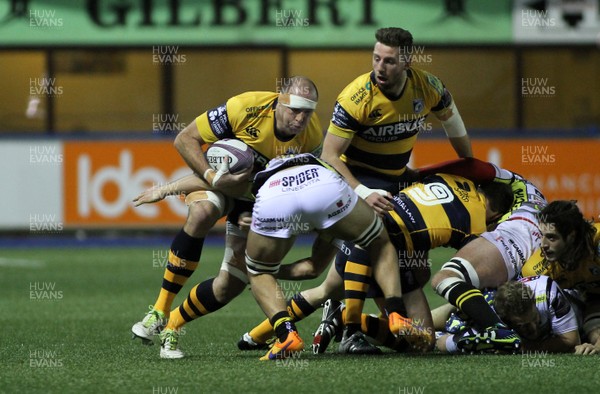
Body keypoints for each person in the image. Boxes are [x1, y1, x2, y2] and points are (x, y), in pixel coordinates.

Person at [130, 76, 325, 359]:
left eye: (307, 111)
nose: (300, 118)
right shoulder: (245, 107)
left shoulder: (312, 139)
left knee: (229, 286)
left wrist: (263, 218)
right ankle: (159, 310)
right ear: (278, 101)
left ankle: (172, 323)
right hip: (219, 184)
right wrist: (183, 184)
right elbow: (184, 139)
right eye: (294, 109)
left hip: (257, 204)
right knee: (202, 212)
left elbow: (301, 193)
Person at [238, 166, 514, 354]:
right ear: (496, 214)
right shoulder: (478, 223)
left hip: (363, 222)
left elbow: (424, 207)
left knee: (324, 288)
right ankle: (351, 322)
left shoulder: (449, 179)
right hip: (387, 248)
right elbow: (468, 266)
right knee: (423, 340)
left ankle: (255, 336)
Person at [244, 153, 408, 360]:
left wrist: (264, 274)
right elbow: (313, 268)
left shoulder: (262, 175)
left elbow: (311, 269)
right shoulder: (312, 158)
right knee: (379, 244)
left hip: (275, 194)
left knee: (258, 271)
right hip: (323, 187)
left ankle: (286, 336)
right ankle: (396, 313)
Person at [321, 27, 472, 216]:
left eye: (389, 61)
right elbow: (328, 155)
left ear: (407, 63)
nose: (380, 67)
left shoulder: (428, 87)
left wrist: (471, 166)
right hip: (358, 178)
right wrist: (364, 192)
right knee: (373, 237)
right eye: (376, 58)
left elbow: (454, 127)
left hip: (398, 177)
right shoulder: (355, 98)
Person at [426, 157, 548, 353]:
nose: (474, 205)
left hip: (515, 241)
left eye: (480, 202)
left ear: (496, 212)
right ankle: (418, 326)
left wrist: (417, 174)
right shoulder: (520, 190)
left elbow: (472, 165)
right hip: (528, 254)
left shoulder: (507, 193)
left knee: (446, 278)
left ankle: (497, 331)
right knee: (468, 297)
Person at [521, 200, 600, 355]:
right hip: (593, 299)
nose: (543, 244)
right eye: (542, 236)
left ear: (571, 236)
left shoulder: (597, 244)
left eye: (551, 237)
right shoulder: (536, 269)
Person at [436, 275, 581, 354]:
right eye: (522, 326)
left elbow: (570, 340)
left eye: (535, 319)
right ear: (506, 320)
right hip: (489, 299)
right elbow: (443, 344)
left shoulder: (547, 293)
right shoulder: (494, 318)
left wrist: (519, 347)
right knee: (454, 324)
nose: (533, 329)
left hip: (585, 304)